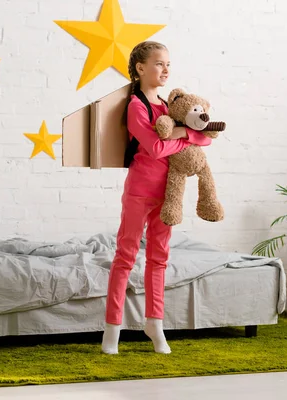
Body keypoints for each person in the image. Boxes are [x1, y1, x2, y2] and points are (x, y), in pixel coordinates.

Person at [101, 41, 213, 354]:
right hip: (141, 189)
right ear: (140, 68)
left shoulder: (168, 105)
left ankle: (155, 323)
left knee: (159, 258)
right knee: (125, 256)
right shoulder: (136, 106)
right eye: (159, 64)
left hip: (169, 194)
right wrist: (184, 136)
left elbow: (205, 136)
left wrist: (181, 133)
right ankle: (112, 329)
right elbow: (156, 148)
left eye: (168, 64)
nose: (166, 70)